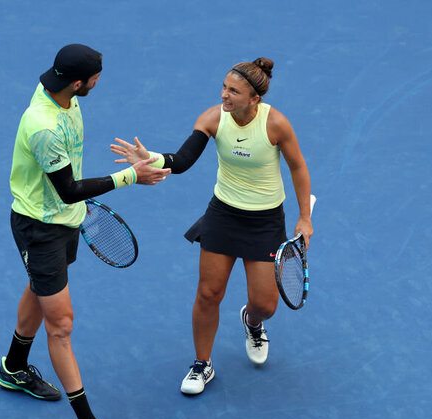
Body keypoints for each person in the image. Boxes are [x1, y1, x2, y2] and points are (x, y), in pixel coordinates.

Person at [111, 57, 313, 395]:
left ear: (255, 99)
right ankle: (202, 364)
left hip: (265, 221)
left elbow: (299, 168)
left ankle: (251, 321)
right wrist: (152, 159)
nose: (224, 95)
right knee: (208, 293)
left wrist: (304, 216)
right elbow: (183, 160)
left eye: (233, 91)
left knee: (265, 305)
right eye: (224, 87)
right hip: (223, 216)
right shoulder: (213, 118)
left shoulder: (276, 124)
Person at [0, 43, 171, 419]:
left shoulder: (62, 96)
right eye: (95, 78)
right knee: (61, 325)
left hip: (65, 220)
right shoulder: (43, 126)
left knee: (40, 287)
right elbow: (68, 189)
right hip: (40, 226)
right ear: (77, 83)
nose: (98, 83)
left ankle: (13, 366)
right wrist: (131, 177)